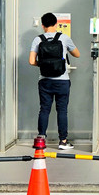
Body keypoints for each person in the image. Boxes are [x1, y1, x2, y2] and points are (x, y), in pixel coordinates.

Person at [29, 13, 81, 150]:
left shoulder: (37, 40)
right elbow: (77, 54)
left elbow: (31, 61)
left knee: (44, 109)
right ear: (56, 24)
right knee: (62, 110)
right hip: (62, 80)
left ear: (42, 25)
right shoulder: (64, 38)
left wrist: (44, 65)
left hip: (45, 81)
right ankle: (63, 141)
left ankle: (41, 140)